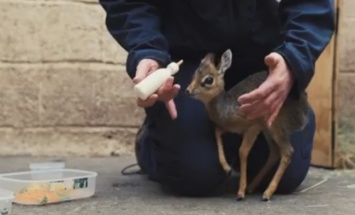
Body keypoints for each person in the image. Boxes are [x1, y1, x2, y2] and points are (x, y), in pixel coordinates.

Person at [99, 0, 335, 197]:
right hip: (191, 58)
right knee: (194, 175)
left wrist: (293, 58)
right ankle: (154, 143)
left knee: (286, 176)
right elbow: (127, 4)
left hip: (266, 61)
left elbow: (312, 6)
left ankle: (227, 141)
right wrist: (147, 50)